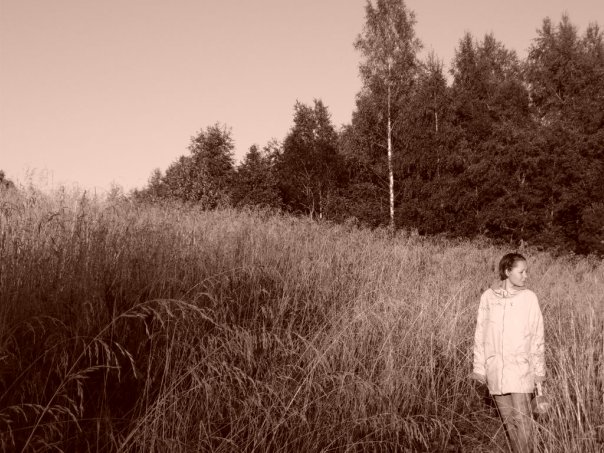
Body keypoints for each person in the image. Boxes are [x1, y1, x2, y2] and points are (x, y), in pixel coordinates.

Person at [471, 253, 546, 453]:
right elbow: (480, 333)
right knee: (508, 421)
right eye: (521, 272)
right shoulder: (488, 297)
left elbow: (537, 335)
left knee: (523, 420)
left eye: (526, 271)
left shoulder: (529, 298)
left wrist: (539, 370)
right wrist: (479, 368)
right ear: (507, 271)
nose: (526, 276)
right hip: (495, 369)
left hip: (521, 368)